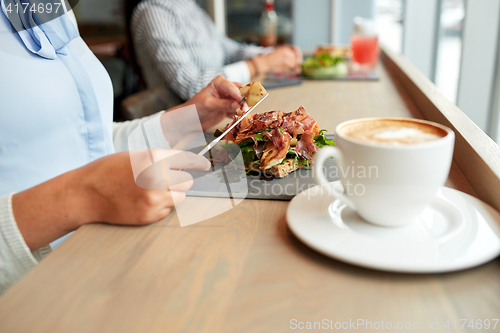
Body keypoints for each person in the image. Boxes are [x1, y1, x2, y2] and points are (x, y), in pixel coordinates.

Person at [0, 3, 244, 293]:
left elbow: (82, 139)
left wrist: (183, 121)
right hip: (33, 297)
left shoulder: (51, 10)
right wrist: (81, 195)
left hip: (107, 261)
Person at [129, 0, 303, 101]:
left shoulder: (188, 6)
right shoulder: (153, 12)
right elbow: (193, 86)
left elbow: (229, 51)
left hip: (215, 114)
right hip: (186, 132)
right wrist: (261, 64)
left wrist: (272, 55)